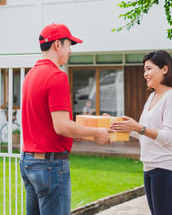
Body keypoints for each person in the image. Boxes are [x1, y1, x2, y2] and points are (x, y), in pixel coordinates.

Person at [19, 23, 112, 215]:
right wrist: (97, 132)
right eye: (69, 45)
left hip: (29, 161)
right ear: (57, 45)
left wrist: (81, 132)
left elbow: (48, 123)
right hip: (50, 166)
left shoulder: (31, 75)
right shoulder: (56, 76)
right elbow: (61, 126)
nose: (70, 51)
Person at [111, 50, 172, 215]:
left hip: (167, 167)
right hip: (150, 166)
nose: (145, 74)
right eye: (144, 70)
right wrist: (120, 125)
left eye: (149, 68)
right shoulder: (152, 97)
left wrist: (138, 127)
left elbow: (168, 136)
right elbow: (142, 133)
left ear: (164, 69)